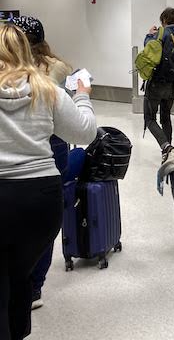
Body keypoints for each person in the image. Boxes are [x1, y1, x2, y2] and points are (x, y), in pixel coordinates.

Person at [0, 23, 96, 340]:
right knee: (20, 274)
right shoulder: (47, 90)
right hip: (40, 199)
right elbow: (84, 133)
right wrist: (83, 97)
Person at [9, 16, 72, 310]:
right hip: (53, 147)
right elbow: (77, 123)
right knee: (42, 226)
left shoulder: (10, 72)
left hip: (16, 153)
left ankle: (18, 282)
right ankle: (35, 287)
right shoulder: (56, 67)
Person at [143, 7, 174, 154]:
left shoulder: (161, 33)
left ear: (164, 20)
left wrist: (149, 35)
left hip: (156, 83)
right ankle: (168, 151)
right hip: (172, 85)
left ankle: (166, 147)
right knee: (166, 118)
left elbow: (149, 50)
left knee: (150, 119)